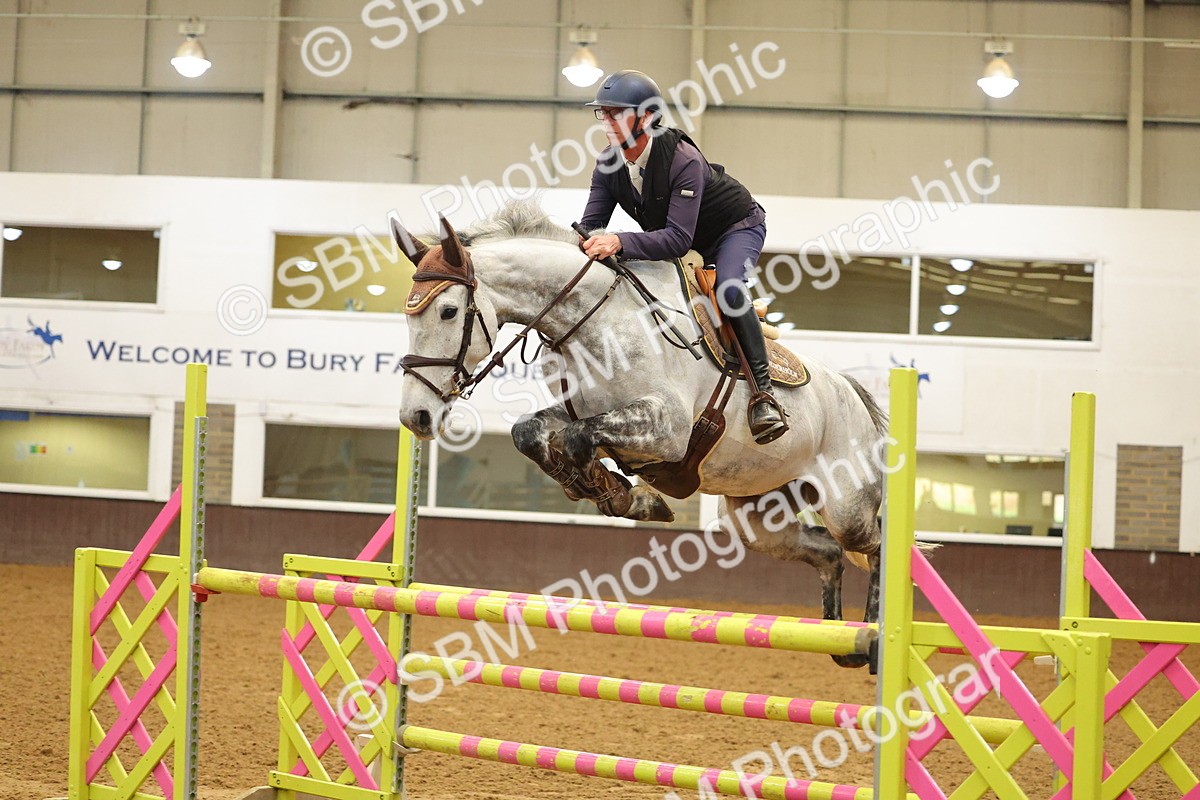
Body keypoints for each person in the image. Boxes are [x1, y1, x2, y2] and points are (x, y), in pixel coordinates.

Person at [578, 69, 788, 445]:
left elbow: (677, 240)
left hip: (735, 228)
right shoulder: (608, 164)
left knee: (728, 288)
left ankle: (764, 396)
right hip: (683, 237)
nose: (606, 121)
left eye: (616, 113)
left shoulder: (682, 159)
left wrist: (619, 241)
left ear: (647, 117)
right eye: (603, 113)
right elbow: (591, 228)